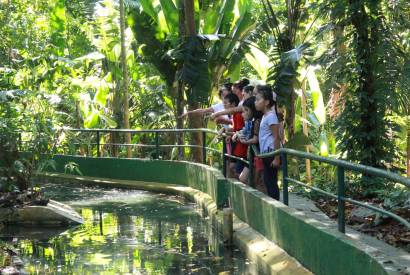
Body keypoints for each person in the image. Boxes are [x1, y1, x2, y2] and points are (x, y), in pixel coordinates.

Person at [254, 84, 281, 200]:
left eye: (258, 99)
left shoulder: (271, 116)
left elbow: (276, 137)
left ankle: (277, 207)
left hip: (271, 153)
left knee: (271, 182)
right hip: (266, 153)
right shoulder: (265, 116)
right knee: (268, 180)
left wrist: (276, 158)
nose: (256, 102)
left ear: (266, 102)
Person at [218, 93, 246, 178]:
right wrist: (226, 131)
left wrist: (228, 133)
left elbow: (239, 131)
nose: (224, 105)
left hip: (242, 148)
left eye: (226, 103)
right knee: (233, 168)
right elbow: (235, 130)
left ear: (233, 104)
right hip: (238, 147)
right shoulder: (234, 115)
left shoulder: (238, 115)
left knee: (237, 171)